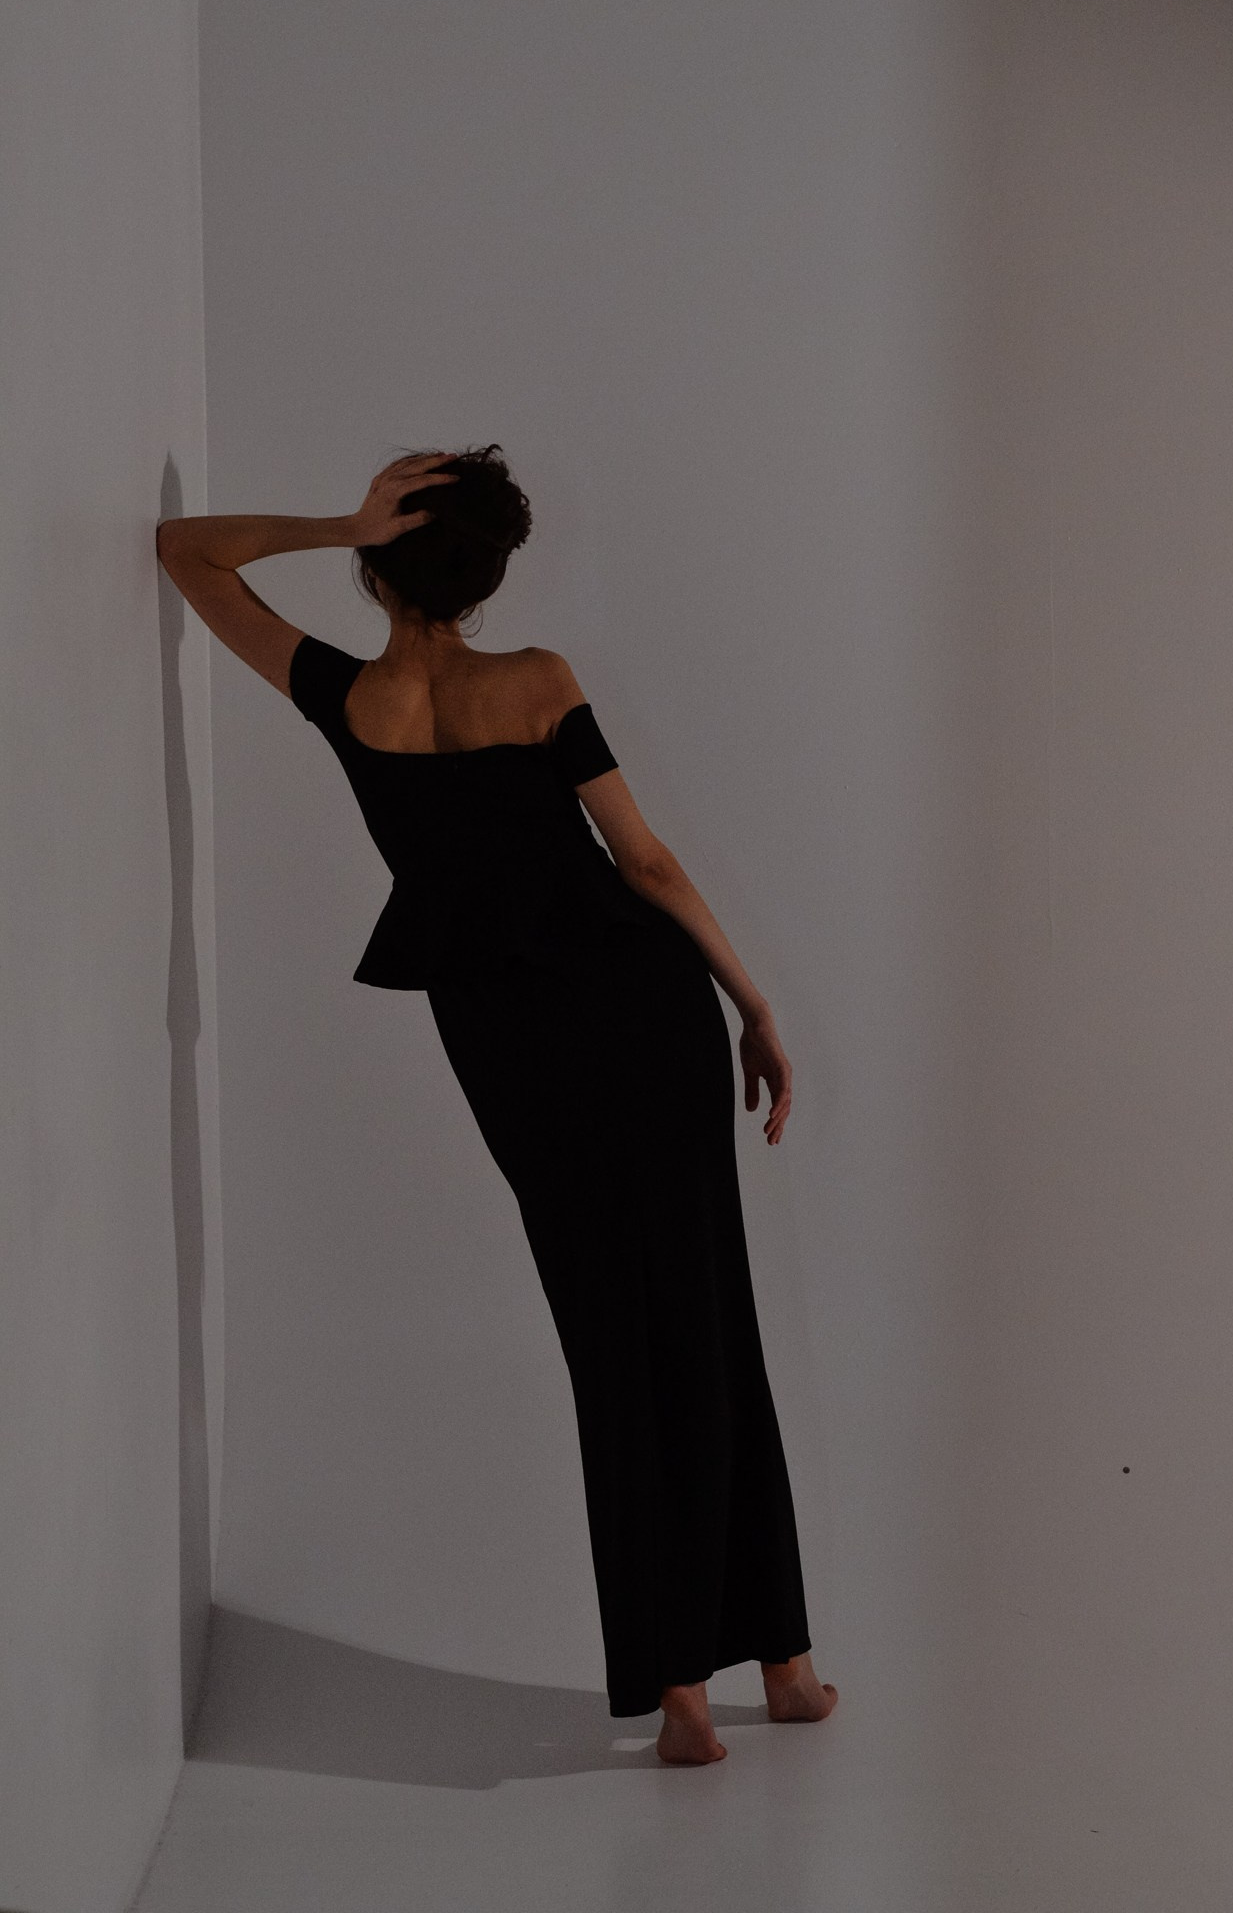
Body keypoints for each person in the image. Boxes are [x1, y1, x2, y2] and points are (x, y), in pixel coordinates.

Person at [157, 445, 837, 1767]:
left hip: (508, 1042)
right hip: (641, 1014)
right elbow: (644, 863)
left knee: (609, 1332)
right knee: (704, 1311)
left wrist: (338, 522)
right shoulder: (535, 680)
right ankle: (788, 1668)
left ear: (384, 560)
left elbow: (187, 552)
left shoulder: (345, 696)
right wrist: (751, 1003)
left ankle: (682, 1697)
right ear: (488, 571)